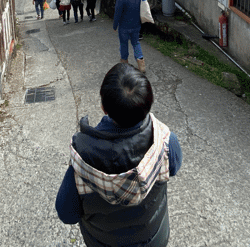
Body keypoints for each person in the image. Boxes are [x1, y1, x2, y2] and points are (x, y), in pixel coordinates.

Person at [55, 63, 182, 247]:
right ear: (148, 104)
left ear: (103, 107)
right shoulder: (165, 141)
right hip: (154, 240)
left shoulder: (81, 162)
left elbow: (67, 214)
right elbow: (174, 168)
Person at [113, 0, 146, 72]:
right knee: (136, 43)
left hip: (124, 26)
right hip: (136, 24)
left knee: (124, 44)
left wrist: (115, 25)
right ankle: (141, 65)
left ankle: (124, 65)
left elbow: (117, 13)